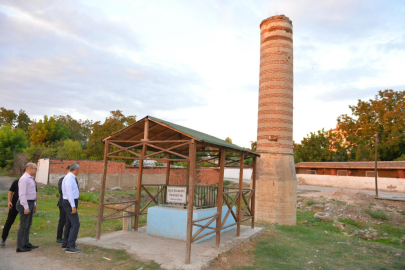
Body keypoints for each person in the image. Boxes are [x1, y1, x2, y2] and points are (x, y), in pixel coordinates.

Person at [16, 163, 39, 253]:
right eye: (35, 169)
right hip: (24, 204)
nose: (36, 171)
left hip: (30, 203)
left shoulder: (31, 179)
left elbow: (32, 193)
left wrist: (34, 205)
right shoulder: (24, 179)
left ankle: (26, 243)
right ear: (30, 169)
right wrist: (26, 207)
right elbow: (22, 194)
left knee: (28, 224)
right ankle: (19, 246)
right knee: (23, 225)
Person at [62, 163, 81, 253]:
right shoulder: (69, 178)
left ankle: (66, 243)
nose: (79, 171)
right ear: (76, 169)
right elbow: (69, 193)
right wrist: (73, 206)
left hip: (69, 202)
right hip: (70, 202)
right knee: (75, 224)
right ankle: (70, 246)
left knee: (69, 223)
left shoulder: (70, 177)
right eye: (78, 170)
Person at [1, 179, 19, 246]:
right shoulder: (16, 182)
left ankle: (21, 240)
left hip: (25, 205)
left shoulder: (31, 182)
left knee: (24, 223)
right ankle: (3, 239)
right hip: (14, 204)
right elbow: (10, 192)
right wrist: (9, 201)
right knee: (9, 221)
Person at [56, 165, 70, 243]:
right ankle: (59, 237)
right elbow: (61, 191)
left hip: (70, 203)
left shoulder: (73, 179)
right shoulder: (62, 179)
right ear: (67, 171)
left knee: (69, 221)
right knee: (62, 220)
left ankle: (67, 236)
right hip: (63, 203)